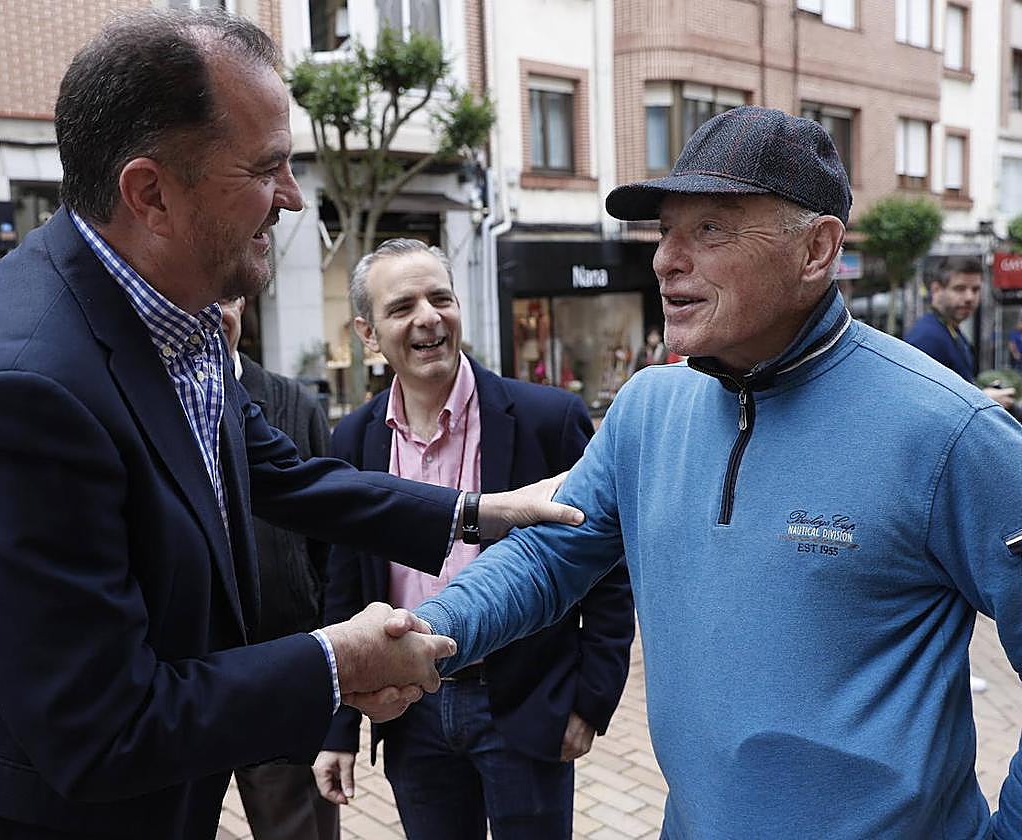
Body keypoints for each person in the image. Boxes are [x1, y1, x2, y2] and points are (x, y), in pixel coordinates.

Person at [0, 10, 582, 840]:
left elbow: (281, 473)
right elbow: (102, 727)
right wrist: (338, 662)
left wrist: (480, 510)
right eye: (267, 168)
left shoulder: (172, 313)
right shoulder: (21, 395)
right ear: (151, 194)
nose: (289, 198)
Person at [412, 105, 1022, 838]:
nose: (667, 259)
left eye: (710, 229)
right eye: (666, 230)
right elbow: (547, 558)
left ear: (817, 250)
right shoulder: (645, 409)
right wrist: (431, 631)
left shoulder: (949, 432)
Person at [312, 240, 634, 839]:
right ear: (368, 333)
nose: (428, 317)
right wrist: (339, 731)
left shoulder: (547, 418)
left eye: (441, 297)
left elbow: (606, 564)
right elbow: (344, 585)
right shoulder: (354, 440)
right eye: (402, 306)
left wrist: (591, 699)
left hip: (525, 703)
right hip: (410, 709)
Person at [221, 297, 339, 840]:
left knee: (298, 827)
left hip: (283, 658)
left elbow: (328, 535)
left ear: (243, 303)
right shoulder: (147, 400)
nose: (213, 312)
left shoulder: (292, 403)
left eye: (224, 298)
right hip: (181, 673)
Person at [904, 255, 1016, 412]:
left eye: (975, 289)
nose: (970, 297)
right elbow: (921, 406)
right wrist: (982, 400)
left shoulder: (950, 330)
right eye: (959, 288)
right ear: (936, 290)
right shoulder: (927, 337)